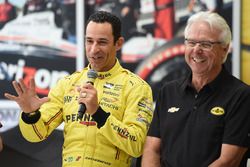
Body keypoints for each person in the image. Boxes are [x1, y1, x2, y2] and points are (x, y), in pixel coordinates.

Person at [5, 11, 153, 167]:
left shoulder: (137, 87)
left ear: (118, 43)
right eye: (89, 41)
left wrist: (98, 113)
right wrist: (30, 115)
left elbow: (137, 146)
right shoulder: (68, 83)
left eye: (102, 42)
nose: (94, 50)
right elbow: (36, 134)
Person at [142, 11, 250, 167]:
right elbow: (152, 149)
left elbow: (229, 161)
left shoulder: (241, 96)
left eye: (206, 44)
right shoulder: (168, 91)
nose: (196, 50)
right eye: (191, 42)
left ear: (225, 50)